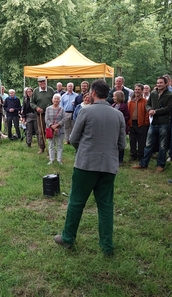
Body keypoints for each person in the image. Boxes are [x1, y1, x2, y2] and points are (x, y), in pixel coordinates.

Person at [54, 80, 126, 255]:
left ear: (93, 93)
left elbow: (74, 138)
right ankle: (107, 246)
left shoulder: (86, 112)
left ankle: (68, 238)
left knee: (76, 202)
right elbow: (122, 144)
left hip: (86, 165)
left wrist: (84, 151)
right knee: (106, 206)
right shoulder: (118, 115)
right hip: (109, 166)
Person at [132, 76, 172, 172]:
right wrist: (150, 110)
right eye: (158, 83)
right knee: (148, 144)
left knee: (162, 146)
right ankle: (143, 163)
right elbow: (147, 104)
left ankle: (160, 165)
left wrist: (156, 111)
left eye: (161, 83)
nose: (159, 84)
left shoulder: (170, 95)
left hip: (163, 123)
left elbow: (169, 108)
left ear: (166, 83)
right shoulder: (153, 93)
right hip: (153, 122)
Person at [30, 76, 55, 154]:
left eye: (43, 81)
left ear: (45, 82)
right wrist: (36, 108)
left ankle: (52, 148)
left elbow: (55, 100)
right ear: (38, 83)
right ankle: (42, 147)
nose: (42, 83)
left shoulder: (51, 90)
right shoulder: (35, 91)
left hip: (50, 114)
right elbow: (31, 102)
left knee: (50, 130)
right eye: (40, 82)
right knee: (41, 132)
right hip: (40, 115)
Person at [127, 84, 149, 161]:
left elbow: (147, 113)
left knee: (141, 141)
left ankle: (140, 155)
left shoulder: (145, 102)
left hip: (141, 123)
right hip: (132, 123)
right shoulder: (130, 102)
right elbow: (128, 113)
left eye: (139, 89)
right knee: (132, 140)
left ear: (142, 91)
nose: (137, 91)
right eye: (136, 89)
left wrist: (145, 122)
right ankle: (133, 154)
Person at [45, 94, 67, 165]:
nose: (56, 100)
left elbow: (64, 119)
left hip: (60, 130)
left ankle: (59, 160)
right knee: (51, 145)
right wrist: (52, 126)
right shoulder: (48, 109)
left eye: (58, 99)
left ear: (60, 101)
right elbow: (46, 119)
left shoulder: (62, 109)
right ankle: (51, 159)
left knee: (59, 145)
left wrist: (57, 126)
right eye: (55, 99)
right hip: (50, 130)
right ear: (52, 100)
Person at [112, 90, 130, 165]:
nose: (113, 98)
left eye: (115, 96)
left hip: (120, 127)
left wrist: (120, 119)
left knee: (120, 142)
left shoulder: (124, 106)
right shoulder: (112, 105)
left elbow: (127, 116)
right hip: (113, 127)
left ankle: (120, 160)